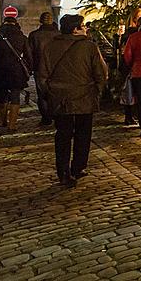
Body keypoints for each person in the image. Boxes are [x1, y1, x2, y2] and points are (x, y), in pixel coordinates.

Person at [39, 14, 108, 187]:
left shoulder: (50, 46)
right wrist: (97, 90)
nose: (85, 28)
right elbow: (101, 72)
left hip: (60, 98)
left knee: (63, 135)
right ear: (75, 29)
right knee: (83, 134)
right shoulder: (89, 46)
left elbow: (42, 75)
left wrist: (50, 93)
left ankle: (63, 172)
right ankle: (78, 167)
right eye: (83, 26)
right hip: (84, 96)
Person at [0, 16, 31, 132]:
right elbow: (28, 55)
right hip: (16, 70)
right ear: (15, 23)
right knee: (15, 96)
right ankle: (12, 124)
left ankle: (2, 120)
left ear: (4, 23)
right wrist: (29, 68)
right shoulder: (21, 37)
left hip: (0, 70)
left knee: (2, 96)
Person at [28, 12, 60, 126]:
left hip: (40, 68)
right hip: (57, 67)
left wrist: (31, 67)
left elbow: (29, 53)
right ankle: (56, 115)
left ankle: (46, 118)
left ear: (41, 21)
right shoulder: (59, 35)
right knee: (56, 91)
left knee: (42, 94)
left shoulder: (34, 35)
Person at [118, 8, 141, 126]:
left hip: (137, 66)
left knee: (135, 93)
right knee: (129, 91)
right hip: (131, 66)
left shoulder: (140, 32)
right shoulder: (130, 34)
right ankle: (129, 115)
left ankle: (134, 116)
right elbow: (126, 52)